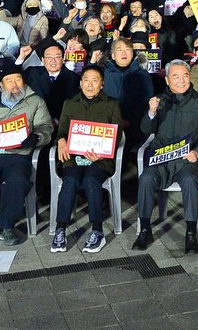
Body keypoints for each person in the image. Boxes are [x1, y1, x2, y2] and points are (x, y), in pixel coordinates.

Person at [134, 60, 198, 254]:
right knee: (145, 179)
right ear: (167, 80)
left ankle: (190, 232)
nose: (181, 81)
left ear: (190, 77)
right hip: (160, 158)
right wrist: (151, 112)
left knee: (189, 181)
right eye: (175, 77)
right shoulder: (160, 101)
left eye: (185, 76)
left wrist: (197, 151)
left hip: (186, 160)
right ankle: (145, 228)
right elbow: (145, 129)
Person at [0, 66, 53, 245]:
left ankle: (6, 225)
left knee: (17, 181)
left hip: (18, 154)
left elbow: (46, 127)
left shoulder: (35, 101)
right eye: (9, 80)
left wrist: (37, 138)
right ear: (1, 85)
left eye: (18, 80)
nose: (14, 85)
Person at [51, 65, 123, 254]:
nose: (90, 85)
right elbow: (62, 131)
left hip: (100, 159)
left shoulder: (111, 104)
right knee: (70, 180)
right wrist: (60, 141)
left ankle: (97, 231)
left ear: (102, 84)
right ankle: (60, 228)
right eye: (86, 80)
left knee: (92, 180)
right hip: (74, 157)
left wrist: (103, 152)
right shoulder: (70, 103)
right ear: (80, 83)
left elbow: (116, 135)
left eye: (95, 81)